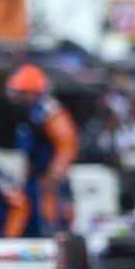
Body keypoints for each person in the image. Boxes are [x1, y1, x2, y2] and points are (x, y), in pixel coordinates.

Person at [8, 63, 79, 236]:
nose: (18, 96)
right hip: (30, 178)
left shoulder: (50, 111)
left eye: (23, 92)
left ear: (34, 91)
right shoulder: (27, 112)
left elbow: (67, 144)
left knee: (49, 221)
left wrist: (55, 173)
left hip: (47, 181)